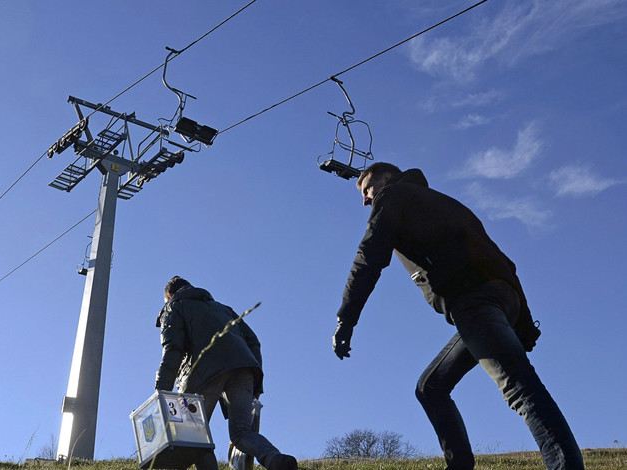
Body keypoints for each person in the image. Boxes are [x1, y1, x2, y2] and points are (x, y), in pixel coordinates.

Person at [330, 162, 584, 470]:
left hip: (473, 301)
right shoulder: (445, 203)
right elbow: (502, 261)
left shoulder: (394, 196)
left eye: (367, 189)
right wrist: (523, 322)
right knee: (430, 388)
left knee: (519, 386)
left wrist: (347, 319)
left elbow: (369, 257)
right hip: (499, 298)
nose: (366, 199)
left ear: (387, 177)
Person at [155, 276, 297, 470]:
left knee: (193, 434)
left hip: (203, 372)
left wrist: (161, 389)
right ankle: (274, 459)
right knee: (241, 432)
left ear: (170, 295)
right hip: (244, 368)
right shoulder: (223, 309)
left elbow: (173, 349)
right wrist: (256, 383)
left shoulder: (174, 306)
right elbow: (253, 341)